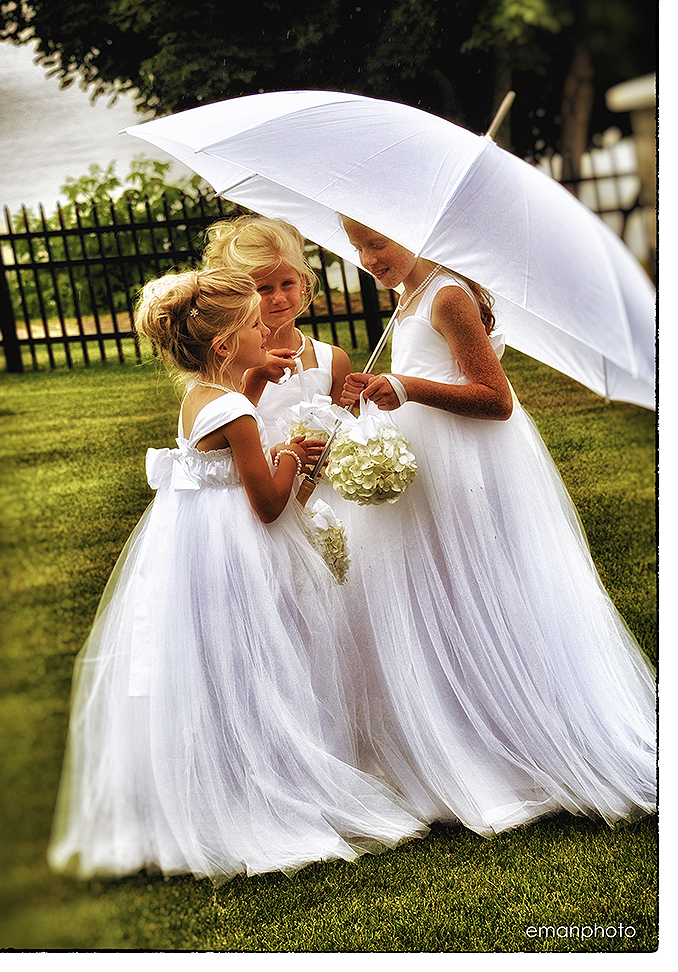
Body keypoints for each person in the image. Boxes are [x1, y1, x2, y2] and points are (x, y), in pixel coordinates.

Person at [47, 266, 426, 882]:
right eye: (254, 325)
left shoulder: (204, 394)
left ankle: (215, 776)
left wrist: (250, 383)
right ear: (226, 343)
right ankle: (270, 782)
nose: (267, 329)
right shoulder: (238, 415)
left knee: (214, 658)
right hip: (240, 546)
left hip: (195, 541)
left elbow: (221, 432)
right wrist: (298, 457)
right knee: (262, 657)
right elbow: (271, 503)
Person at [338, 216, 656, 836]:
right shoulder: (408, 295)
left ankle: (527, 736)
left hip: (471, 467)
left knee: (488, 589)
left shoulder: (448, 295)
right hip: (430, 466)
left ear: (413, 231)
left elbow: (494, 397)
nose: (367, 259)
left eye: (377, 243)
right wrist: (377, 393)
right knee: (443, 597)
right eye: (357, 249)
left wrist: (403, 386)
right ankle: (465, 729)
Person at [203, 215, 352, 446]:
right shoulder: (226, 366)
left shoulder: (333, 360)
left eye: (287, 284)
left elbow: (342, 433)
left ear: (302, 282)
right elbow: (219, 440)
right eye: (264, 288)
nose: (279, 298)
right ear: (242, 296)